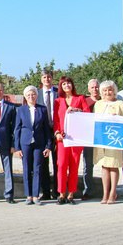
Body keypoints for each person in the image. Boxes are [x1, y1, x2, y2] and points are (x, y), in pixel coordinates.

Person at [52, 76, 89, 204]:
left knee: (74, 165)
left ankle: (71, 194)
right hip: (62, 139)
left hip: (76, 139)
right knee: (61, 165)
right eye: (64, 84)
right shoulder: (58, 101)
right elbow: (56, 119)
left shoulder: (80, 98)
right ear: (61, 87)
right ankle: (61, 193)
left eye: (69, 83)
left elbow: (87, 114)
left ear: (72, 85)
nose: (67, 86)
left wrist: (76, 110)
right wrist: (56, 133)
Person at [13, 85, 52, 205]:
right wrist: (17, 147)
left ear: (37, 95)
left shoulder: (43, 109)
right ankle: (28, 195)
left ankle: (36, 195)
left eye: (33, 94)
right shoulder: (20, 110)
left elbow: (47, 129)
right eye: (29, 95)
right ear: (25, 96)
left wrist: (48, 146)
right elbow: (17, 129)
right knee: (26, 168)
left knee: (37, 169)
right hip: (25, 143)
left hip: (39, 143)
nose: (31, 96)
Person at [93, 81, 123, 204]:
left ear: (114, 91)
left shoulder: (121, 104)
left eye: (110, 90)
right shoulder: (98, 104)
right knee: (104, 166)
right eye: (105, 90)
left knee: (113, 165)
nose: (107, 92)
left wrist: (117, 118)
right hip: (102, 139)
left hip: (115, 139)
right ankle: (105, 193)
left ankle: (113, 193)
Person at [38, 70, 58, 200]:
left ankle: (57, 191)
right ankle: (45, 192)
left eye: (49, 77)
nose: (47, 79)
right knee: (43, 163)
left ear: (52, 78)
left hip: (56, 131)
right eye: (44, 77)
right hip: (41, 132)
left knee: (57, 163)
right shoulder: (36, 93)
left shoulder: (58, 92)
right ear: (41, 79)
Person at [81, 78, 100, 200]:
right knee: (87, 165)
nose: (95, 89)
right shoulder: (84, 101)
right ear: (88, 89)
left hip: (102, 137)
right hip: (88, 137)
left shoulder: (105, 101)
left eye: (96, 87)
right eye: (92, 87)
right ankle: (88, 190)